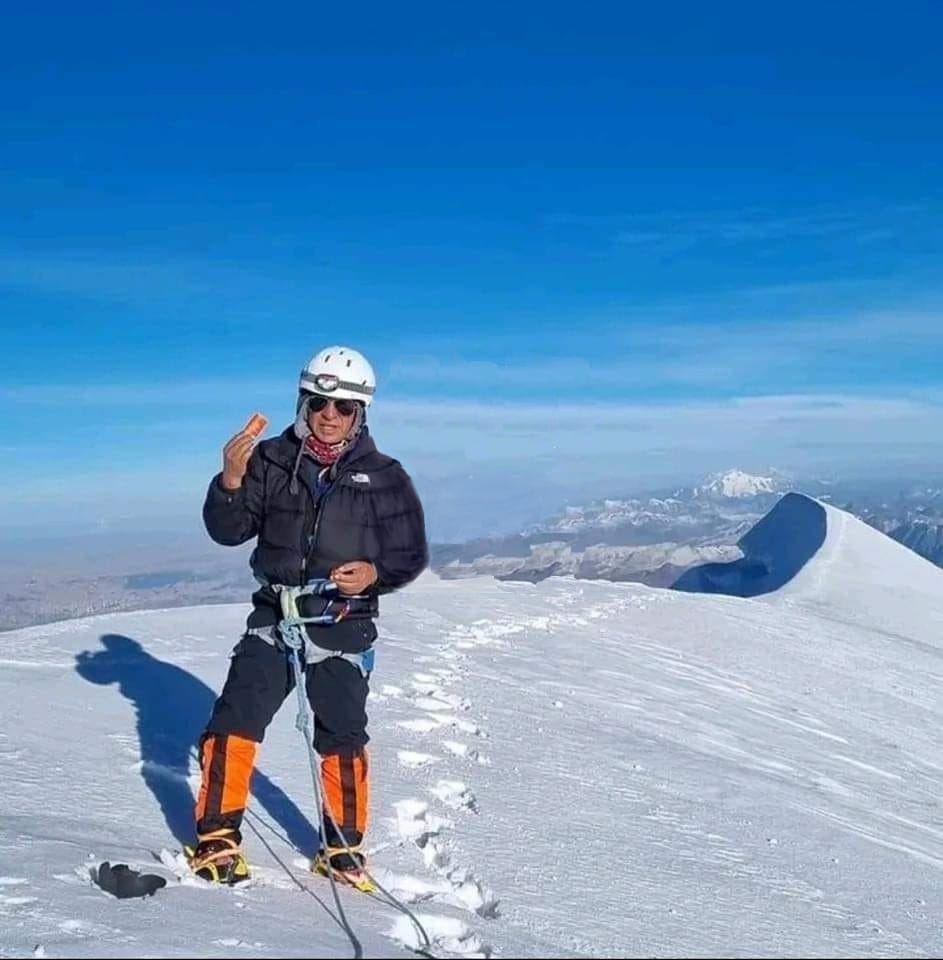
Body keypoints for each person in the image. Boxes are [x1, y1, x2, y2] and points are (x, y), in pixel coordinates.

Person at [190, 345, 428, 885]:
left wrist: (374, 573)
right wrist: (229, 480)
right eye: (319, 401)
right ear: (303, 400)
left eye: (342, 406)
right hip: (276, 617)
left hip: (343, 622)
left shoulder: (385, 476)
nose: (328, 415)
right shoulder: (271, 460)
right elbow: (228, 531)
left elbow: (409, 554)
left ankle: (342, 849)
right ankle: (217, 837)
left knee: (342, 734)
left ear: (360, 414)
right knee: (235, 720)